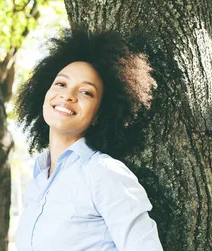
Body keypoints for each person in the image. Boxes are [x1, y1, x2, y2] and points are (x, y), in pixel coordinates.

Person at [14, 29, 163, 251]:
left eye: (86, 92)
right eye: (61, 84)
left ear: (100, 115)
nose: (68, 95)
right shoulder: (38, 179)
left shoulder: (104, 173)